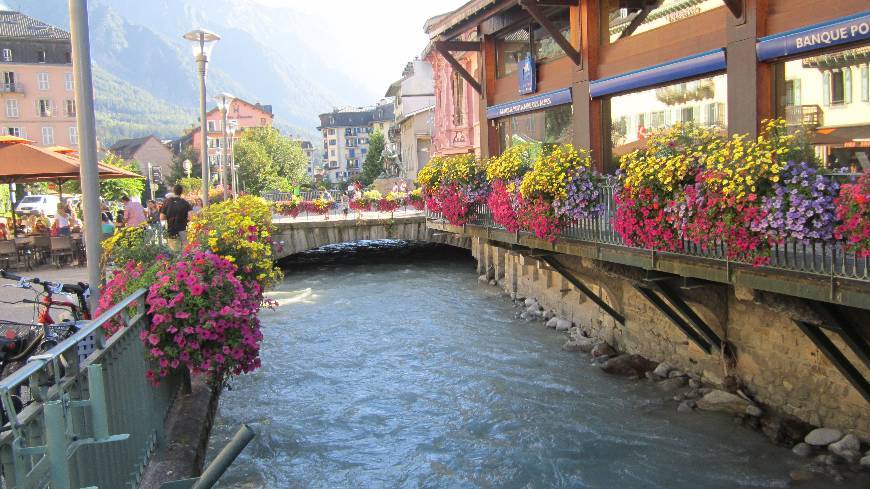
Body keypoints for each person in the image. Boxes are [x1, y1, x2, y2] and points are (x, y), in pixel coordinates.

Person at [162, 184, 193, 252]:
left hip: (171, 229)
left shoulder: (167, 202)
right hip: (182, 228)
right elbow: (191, 217)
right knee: (185, 249)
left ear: (173, 191)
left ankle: (175, 261)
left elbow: (162, 217)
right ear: (181, 192)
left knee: (173, 250)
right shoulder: (185, 203)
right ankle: (184, 261)